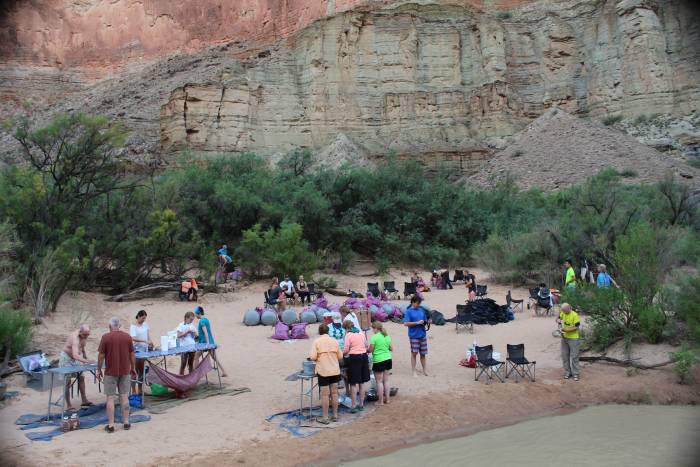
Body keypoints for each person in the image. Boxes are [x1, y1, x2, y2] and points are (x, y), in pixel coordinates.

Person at [96, 317, 136, 433]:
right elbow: (132, 354)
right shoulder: (127, 337)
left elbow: (101, 356)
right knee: (124, 396)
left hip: (110, 372)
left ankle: (111, 424)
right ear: (119, 326)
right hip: (125, 370)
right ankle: (126, 422)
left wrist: (99, 369)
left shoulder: (106, 337)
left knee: (110, 398)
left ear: (110, 326)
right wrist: (133, 368)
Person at [309, 323, 343, 425]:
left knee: (324, 394)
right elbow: (340, 356)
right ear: (328, 331)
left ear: (320, 332)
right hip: (334, 370)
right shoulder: (334, 341)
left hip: (323, 371)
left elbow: (313, 357)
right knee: (334, 393)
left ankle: (325, 417)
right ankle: (335, 415)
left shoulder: (317, 342)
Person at [59, 325, 95, 411]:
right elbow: (75, 355)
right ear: (80, 332)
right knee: (67, 381)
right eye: (85, 335)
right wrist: (87, 361)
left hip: (76, 359)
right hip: (67, 359)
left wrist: (86, 357)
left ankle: (84, 400)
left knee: (81, 377)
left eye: (88, 335)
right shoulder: (75, 337)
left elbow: (82, 347)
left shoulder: (84, 336)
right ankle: (68, 404)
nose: (86, 336)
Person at [342, 320, 370, 413]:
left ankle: (353, 405)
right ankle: (361, 404)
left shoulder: (348, 335)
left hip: (354, 358)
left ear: (346, 328)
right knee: (361, 383)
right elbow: (366, 345)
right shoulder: (361, 333)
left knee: (353, 383)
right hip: (364, 357)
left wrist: (342, 354)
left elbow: (346, 349)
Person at [193, 306, 227, 377]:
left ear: (198, 313)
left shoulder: (201, 321)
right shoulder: (206, 320)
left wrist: (207, 343)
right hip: (210, 342)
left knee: (196, 357)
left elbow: (205, 332)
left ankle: (195, 374)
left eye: (195, 314)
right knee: (214, 357)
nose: (195, 315)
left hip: (204, 343)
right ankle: (223, 371)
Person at [403, 296, 429, 377]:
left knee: (423, 354)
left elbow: (425, 320)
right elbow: (405, 323)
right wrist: (417, 323)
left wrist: (427, 322)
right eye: (417, 303)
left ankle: (424, 370)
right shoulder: (408, 311)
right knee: (414, 353)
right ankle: (413, 371)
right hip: (414, 336)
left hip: (422, 334)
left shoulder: (421, 310)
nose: (419, 305)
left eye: (419, 303)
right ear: (413, 302)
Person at [368, 321, 393, 406]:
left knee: (379, 381)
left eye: (373, 329)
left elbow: (370, 350)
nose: (372, 330)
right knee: (386, 380)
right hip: (388, 359)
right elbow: (391, 348)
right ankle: (388, 399)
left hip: (379, 360)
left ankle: (380, 401)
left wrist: (366, 350)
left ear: (375, 328)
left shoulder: (374, 337)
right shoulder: (387, 336)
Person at [129, 310, 153, 394]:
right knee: (134, 370)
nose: (144, 320)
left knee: (141, 370)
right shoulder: (133, 326)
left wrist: (150, 342)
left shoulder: (145, 325)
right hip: (136, 350)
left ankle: (140, 389)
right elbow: (133, 338)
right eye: (143, 318)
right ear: (138, 316)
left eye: (145, 318)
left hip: (145, 350)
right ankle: (133, 390)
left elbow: (148, 335)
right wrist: (144, 341)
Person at [557, 303, 581, 381]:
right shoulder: (563, 313)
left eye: (565, 311)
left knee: (574, 356)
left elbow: (576, 327)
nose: (563, 312)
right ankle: (567, 372)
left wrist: (565, 330)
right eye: (562, 311)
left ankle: (576, 373)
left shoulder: (574, 315)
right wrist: (559, 324)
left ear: (569, 308)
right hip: (564, 338)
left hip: (573, 338)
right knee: (565, 356)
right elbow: (558, 319)